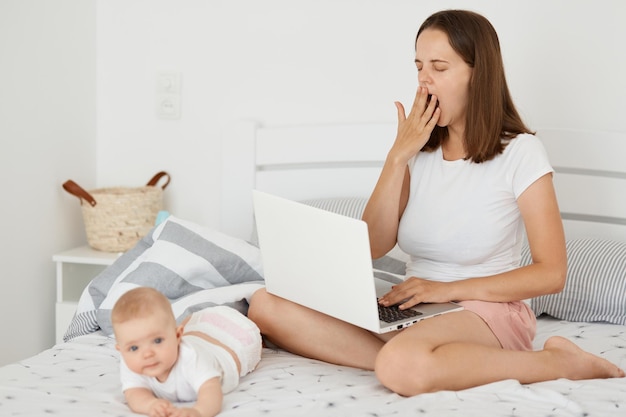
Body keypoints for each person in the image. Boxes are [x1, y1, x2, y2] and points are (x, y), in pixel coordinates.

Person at [247, 9, 624, 396]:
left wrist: (445, 290)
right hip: (417, 307)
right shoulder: (417, 154)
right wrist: (397, 157)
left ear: (478, 75)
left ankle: (556, 361)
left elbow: (551, 273)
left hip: (487, 311)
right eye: (419, 67)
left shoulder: (521, 153)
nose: (424, 80)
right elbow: (373, 245)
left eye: (439, 68)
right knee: (265, 305)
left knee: (399, 365)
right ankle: (419, 358)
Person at [112, 287, 262, 417]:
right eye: (134, 348)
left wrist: (199, 411)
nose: (147, 354)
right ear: (121, 350)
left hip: (227, 347)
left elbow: (210, 389)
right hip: (195, 338)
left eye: (157, 341)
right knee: (195, 333)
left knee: (245, 346)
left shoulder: (191, 357)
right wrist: (151, 404)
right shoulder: (131, 362)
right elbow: (134, 393)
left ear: (178, 336)